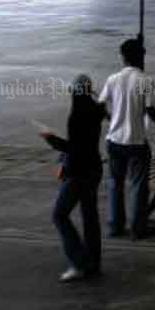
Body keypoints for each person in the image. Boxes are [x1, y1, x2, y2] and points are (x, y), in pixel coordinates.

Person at [97, 38, 155, 240]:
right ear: (141, 56)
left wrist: (112, 118)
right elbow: (150, 111)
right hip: (136, 143)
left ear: (122, 57)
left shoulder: (112, 79)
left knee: (116, 183)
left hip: (114, 141)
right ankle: (138, 228)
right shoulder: (146, 81)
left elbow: (100, 106)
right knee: (138, 186)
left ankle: (115, 226)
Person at [40, 74, 104, 282]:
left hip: (79, 173)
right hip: (94, 169)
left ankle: (79, 263)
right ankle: (93, 263)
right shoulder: (96, 111)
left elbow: (74, 149)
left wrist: (51, 139)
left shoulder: (77, 116)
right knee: (90, 218)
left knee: (59, 215)